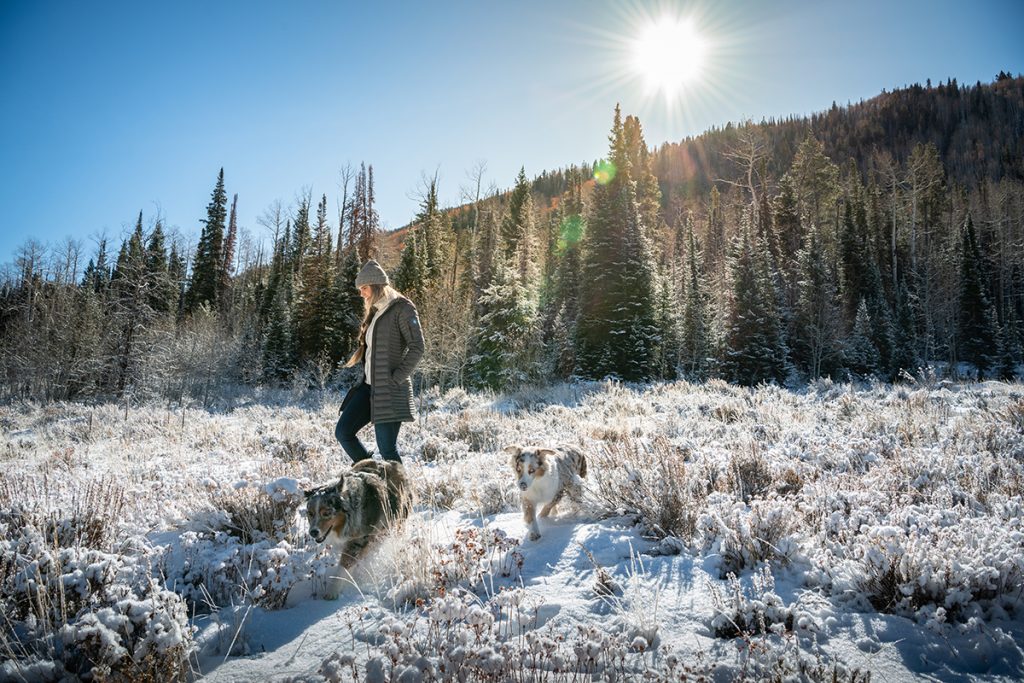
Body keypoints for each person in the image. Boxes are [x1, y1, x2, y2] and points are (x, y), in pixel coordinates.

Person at [335, 259, 424, 463]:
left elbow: (418, 346)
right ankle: (372, 476)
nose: (361, 293)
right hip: (368, 388)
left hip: (390, 390)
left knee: (387, 451)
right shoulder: (375, 312)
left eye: (364, 288)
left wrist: (396, 378)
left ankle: (400, 493)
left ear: (375, 286)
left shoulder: (402, 308)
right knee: (343, 432)